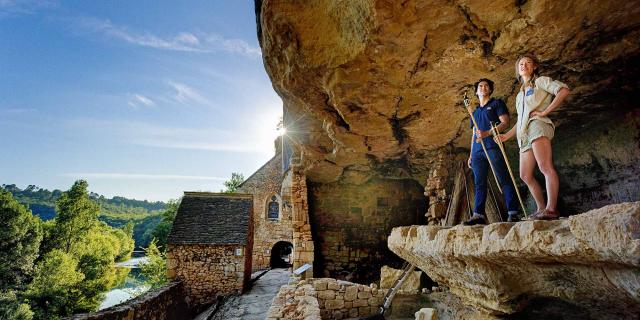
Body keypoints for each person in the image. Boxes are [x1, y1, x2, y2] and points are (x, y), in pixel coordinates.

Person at [496, 54, 570, 220]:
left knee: (545, 167)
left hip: (537, 125)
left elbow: (563, 90)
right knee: (525, 175)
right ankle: (541, 208)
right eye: (521, 63)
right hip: (524, 134)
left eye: (528, 63)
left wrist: (544, 112)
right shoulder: (519, 95)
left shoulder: (540, 81)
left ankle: (551, 209)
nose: (524, 65)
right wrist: (506, 135)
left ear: (534, 66)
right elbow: (521, 118)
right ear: (517, 69)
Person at [463, 78, 521, 225]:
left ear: (490, 89)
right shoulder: (475, 112)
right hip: (477, 151)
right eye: (480, 86)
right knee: (479, 182)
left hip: (493, 146)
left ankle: (513, 212)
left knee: (503, 178)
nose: (483, 88)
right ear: (476, 91)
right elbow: (474, 134)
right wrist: (471, 154)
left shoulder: (496, 104)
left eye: (486, 86)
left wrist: (488, 133)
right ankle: (478, 215)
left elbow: (505, 123)